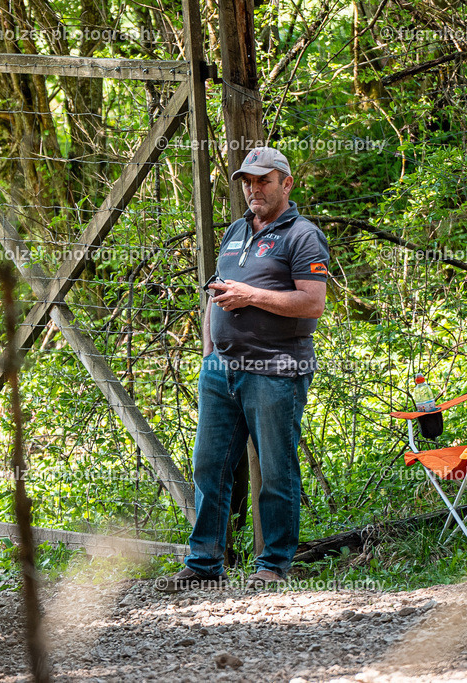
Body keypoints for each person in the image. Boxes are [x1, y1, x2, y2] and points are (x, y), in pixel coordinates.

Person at [156, 147, 330, 592]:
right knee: (209, 466)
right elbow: (214, 293)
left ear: (286, 184)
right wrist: (209, 352)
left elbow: (312, 302)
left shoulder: (303, 236)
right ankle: (204, 564)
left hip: (275, 371)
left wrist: (251, 296)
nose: (254, 189)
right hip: (221, 371)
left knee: (275, 470)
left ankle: (273, 565)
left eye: (263, 181)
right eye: (248, 182)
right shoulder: (236, 230)